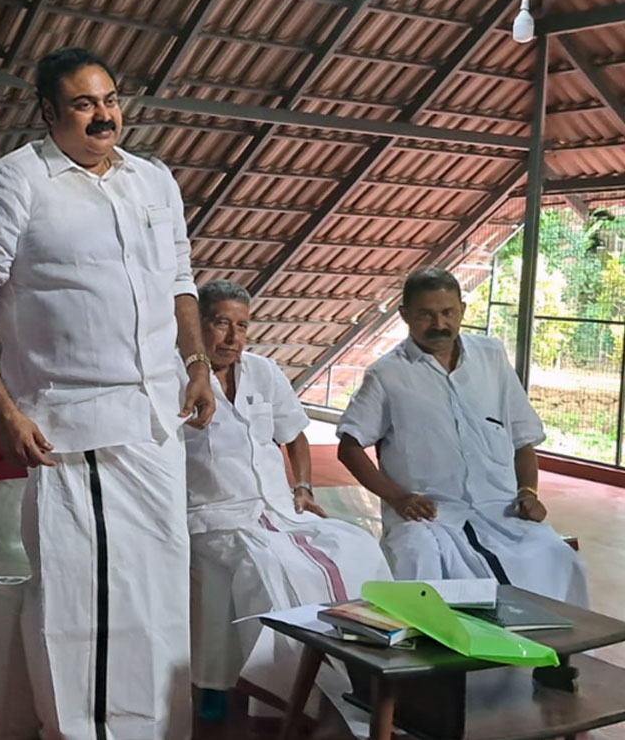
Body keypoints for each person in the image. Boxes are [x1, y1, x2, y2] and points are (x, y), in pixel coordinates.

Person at [0, 46, 215, 740]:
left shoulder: (153, 181)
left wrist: (198, 362)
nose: (104, 115)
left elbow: (180, 280)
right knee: (85, 602)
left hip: (157, 419)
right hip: (75, 426)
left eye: (112, 99)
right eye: (85, 104)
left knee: (157, 592)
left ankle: (158, 729)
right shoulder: (19, 181)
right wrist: (5, 410)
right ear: (48, 112)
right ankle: (80, 732)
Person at [183, 281, 391, 705]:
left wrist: (303, 486)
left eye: (241, 325)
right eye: (221, 323)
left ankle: (373, 678)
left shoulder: (263, 371)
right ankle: (295, 699)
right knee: (270, 569)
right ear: (197, 326)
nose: (232, 337)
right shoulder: (176, 380)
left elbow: (294, 434)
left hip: (281, 510)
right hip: (217, 516)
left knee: (357, 546)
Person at [336, 267, 587, 605]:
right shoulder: (387, 374)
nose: (439, 324)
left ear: (463, 311)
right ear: (404, 315)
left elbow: (522, 440)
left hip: (500, 512)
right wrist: (399, 498)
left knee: (556, 557)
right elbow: (349, 448)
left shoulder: (491, 357)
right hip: (427, 518)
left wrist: (528, 492)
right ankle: (442, 656)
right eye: (426, 314)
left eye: (448, 312)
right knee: (418, 560)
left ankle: (551, 656)